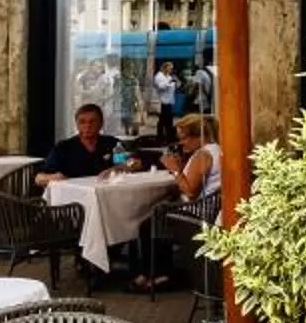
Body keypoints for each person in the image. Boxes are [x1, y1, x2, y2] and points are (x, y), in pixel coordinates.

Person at [135, 114, 221, 293]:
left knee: (148, 225)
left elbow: (190, 191)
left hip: (195, 216)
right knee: (157, 217)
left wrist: (175, 170)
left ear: (199, 136)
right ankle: (158, 273)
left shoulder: (203, 155)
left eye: (184, 138)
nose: (181, 143)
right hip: (207, 210)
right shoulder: (216, 150)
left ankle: (158, 276)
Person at [37, 103, 121, 184]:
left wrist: (117, 169)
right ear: (77, 124)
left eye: (92, 121)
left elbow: (128, 165)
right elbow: (39, 178)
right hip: (72, 192)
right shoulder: (63, 147)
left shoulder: (113, 143)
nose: (87, 126)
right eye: (82, 122)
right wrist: (54, 177)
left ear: (101, 123)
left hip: (107, 190)